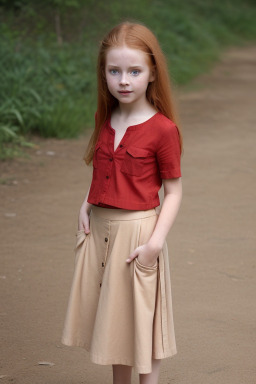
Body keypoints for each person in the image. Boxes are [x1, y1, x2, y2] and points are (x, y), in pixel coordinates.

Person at [62, 21, 183, 384]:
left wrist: (154, 245)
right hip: (100, 231)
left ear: (152, 73)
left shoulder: (163, 130)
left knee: (141, 321)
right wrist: (86, 202)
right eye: (114, 71)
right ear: (104, 74)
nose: (124, 80)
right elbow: (103, 170)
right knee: (115, 324)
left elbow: (174, 192)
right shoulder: (106, 117)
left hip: (138, 237)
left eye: (134, 71)